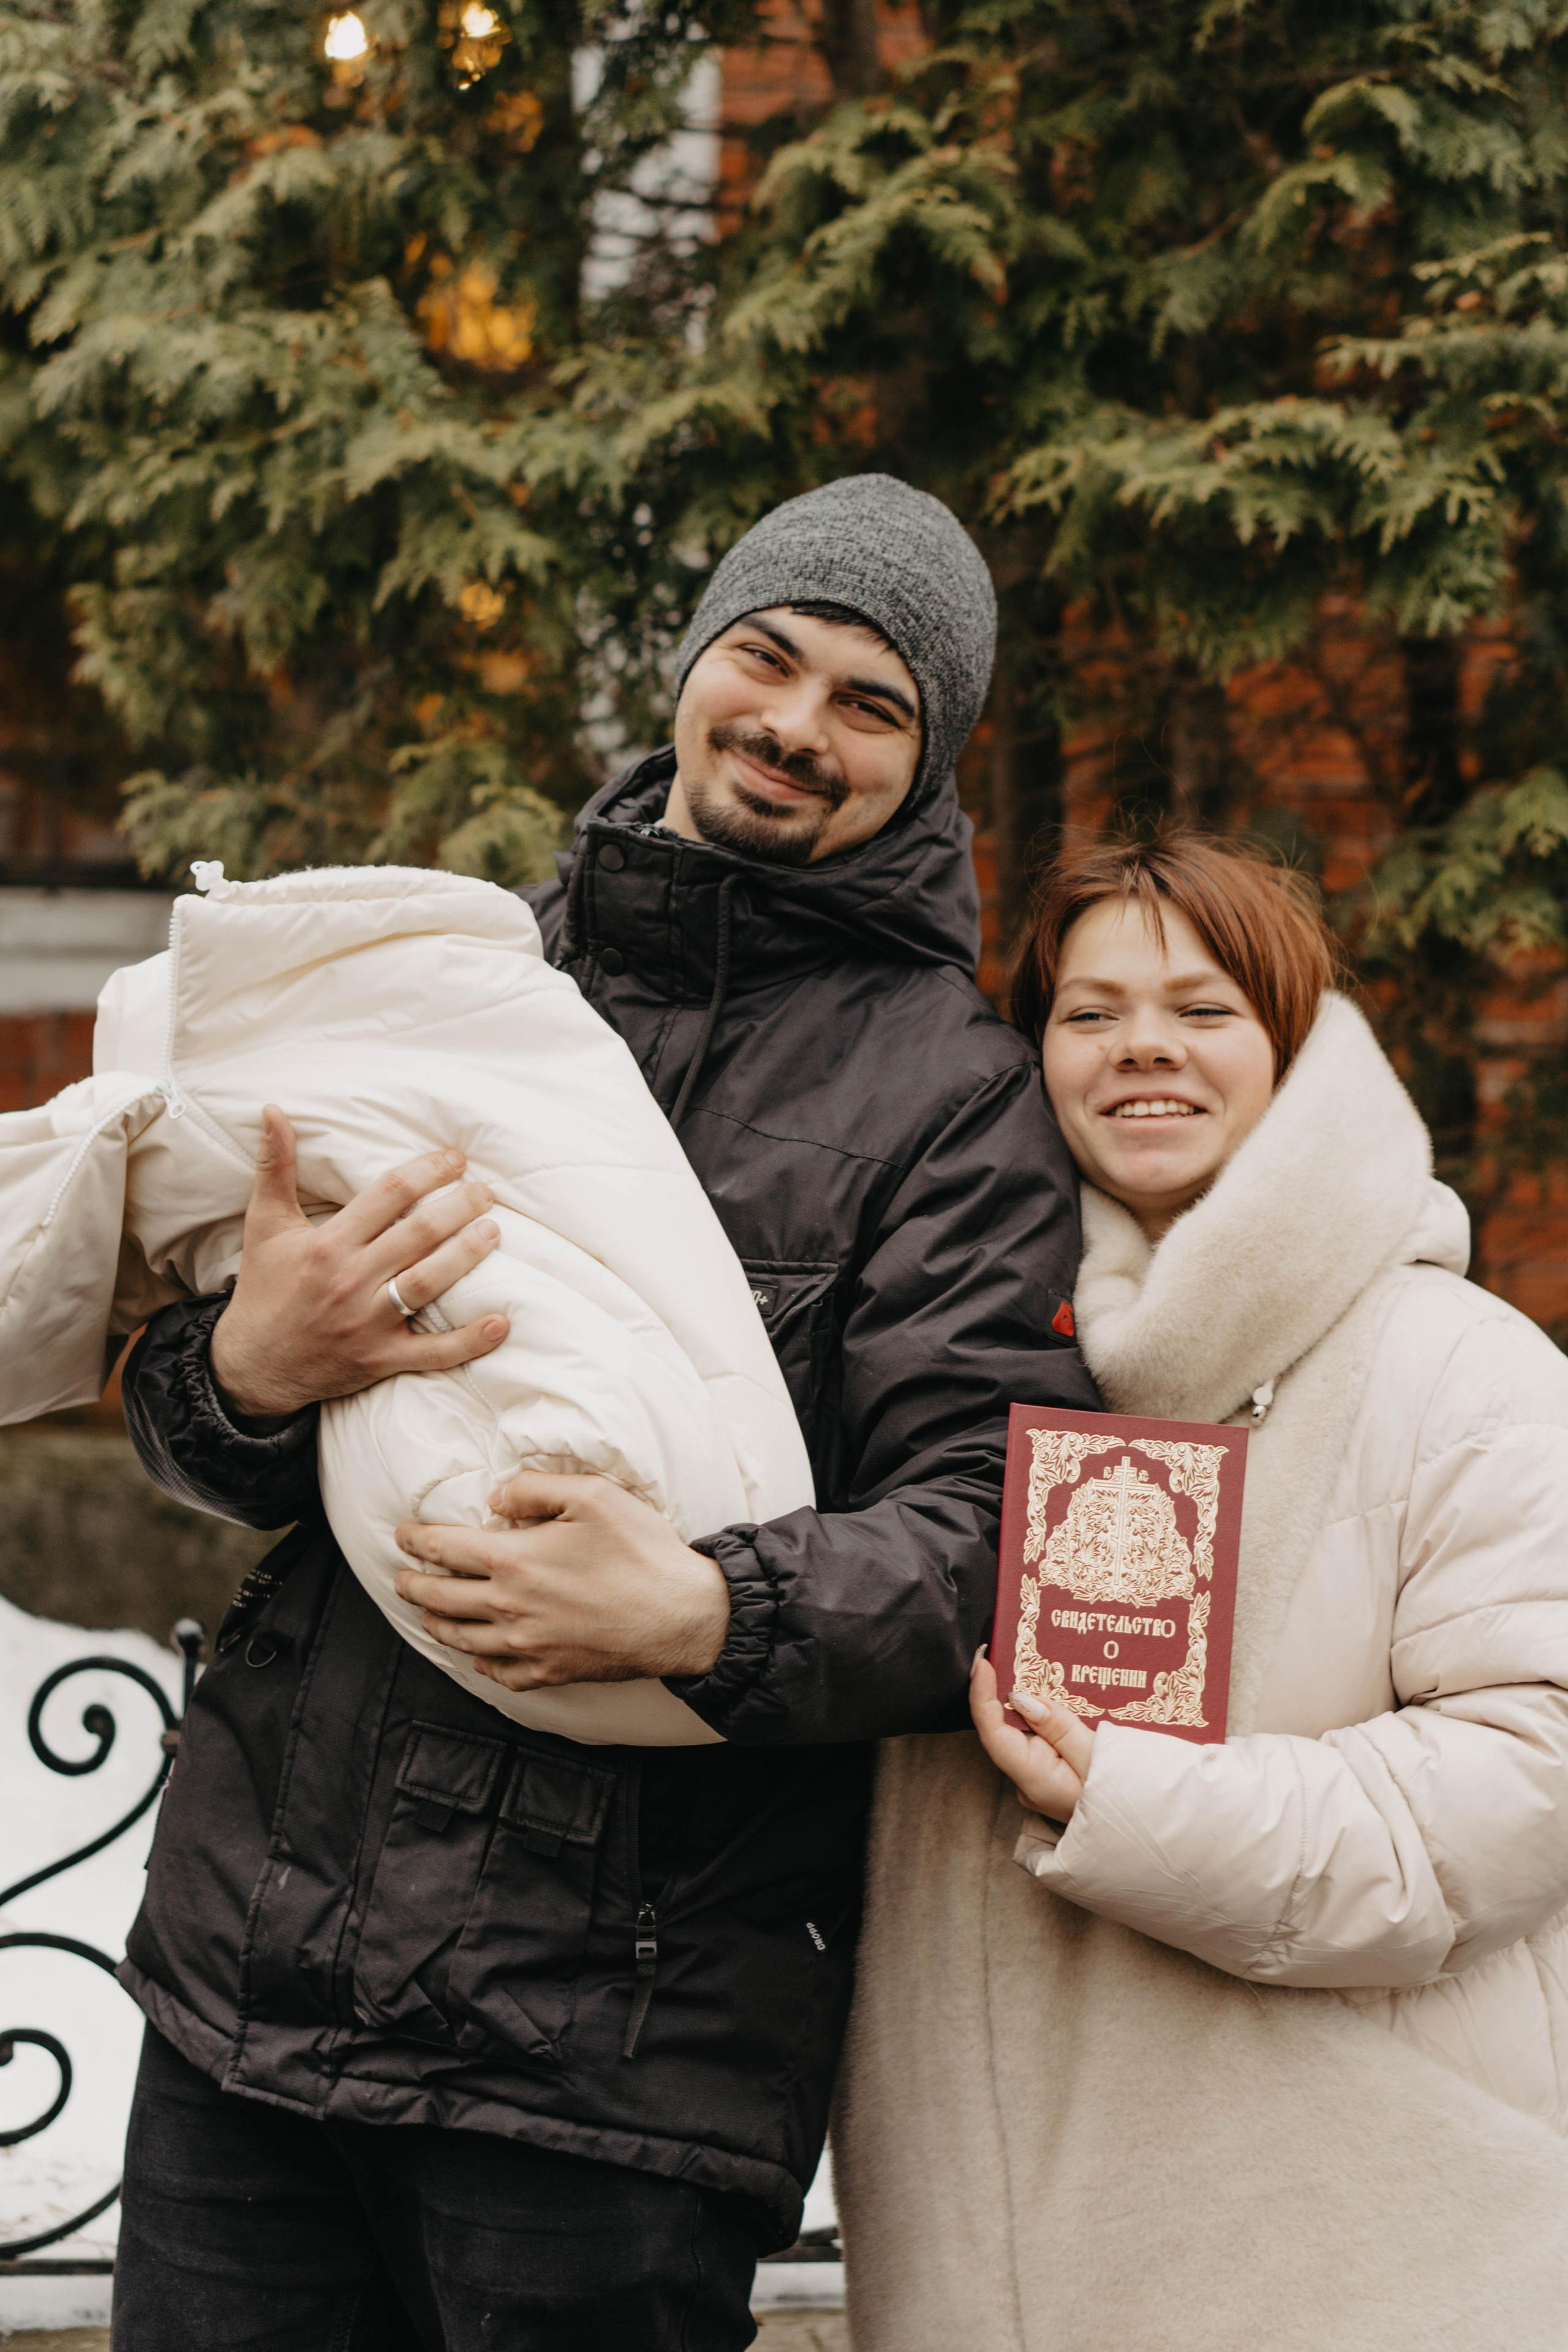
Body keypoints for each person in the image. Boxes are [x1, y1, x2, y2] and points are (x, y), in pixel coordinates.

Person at [108, 473, 1098, 2352]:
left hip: (614, 2048)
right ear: (696, 661)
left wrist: (717, 1609)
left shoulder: (957, 1103)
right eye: (767, 658)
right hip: (251, 1979)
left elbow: (1000, 1527)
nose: (795, 726)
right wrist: (249, 1370)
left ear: (929, 763)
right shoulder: (462, 978)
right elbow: (184, 1401)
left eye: (871, 704)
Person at [833, 832, 1568, 2352]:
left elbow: (1526, 1784)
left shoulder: (1460, 1367)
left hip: (1360, 2247)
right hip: (984, 2258)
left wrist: (1138, 1803)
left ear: (1292, 1048)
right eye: (1088, 1012)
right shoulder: (933, 1367)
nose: (1140, 1047)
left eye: (1201, 1008)